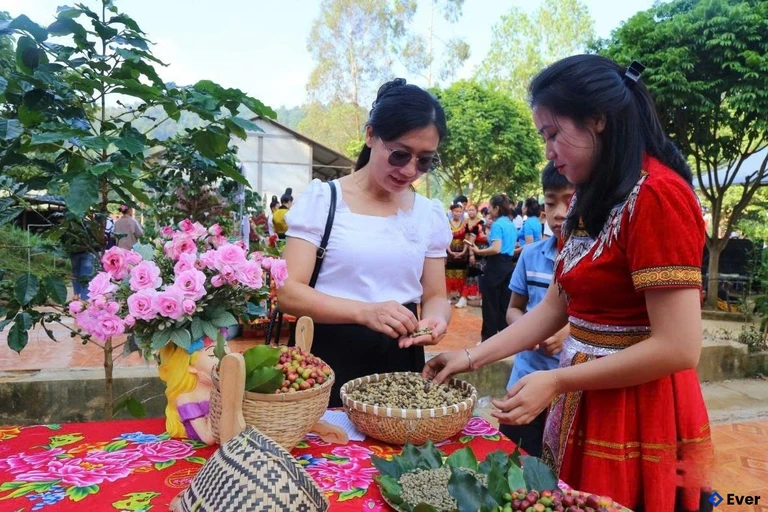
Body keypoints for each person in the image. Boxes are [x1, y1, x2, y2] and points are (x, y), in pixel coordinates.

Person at [424, 55, 713, 511]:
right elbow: (555, 308)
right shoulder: (592, 196)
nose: (548, 150)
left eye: (552, 133)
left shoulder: (658, 195)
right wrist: (469, 356)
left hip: (637, 411)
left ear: (597, 120)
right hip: (588, 397)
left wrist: (557, 380)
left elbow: (679, 347)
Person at [278, 78, 452, 407]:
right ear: (371, 135)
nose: (410, 170)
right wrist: (363, 312)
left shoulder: (428, 214)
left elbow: (435, 295)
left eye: (424, 160)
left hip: (400, 362)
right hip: (324, 360)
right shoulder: (324, 200)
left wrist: (437, 320)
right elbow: (288, 292)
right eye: (400, 155)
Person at [499, 162, 574, 457]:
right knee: (515, 463)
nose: (559, 213)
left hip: (571, 387)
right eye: (551, 203)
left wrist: (566, 331)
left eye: (569, 200)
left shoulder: (596, 260)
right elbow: (513, 310)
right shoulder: (532, 256)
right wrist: (531, 329)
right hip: (525, 379)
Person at [468, 194, 518, 341]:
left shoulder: (497, 225)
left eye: (490, 207)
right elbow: (510, 248)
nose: (489, 210)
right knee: (504, 304)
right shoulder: (510, 224)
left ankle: (488, 339)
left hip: (496, 265)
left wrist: (478, 251)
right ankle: (505, 340)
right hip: (509, 265)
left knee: (490, 304)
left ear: (497, 208)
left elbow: (496, 249)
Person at [157, 338, 218, 445]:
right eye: (213, 354)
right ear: (191, 367)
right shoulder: (186, 399)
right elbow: (209, 438)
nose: (226, 357)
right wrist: (218, 396)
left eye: (226, 349)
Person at [463, 204, 487, 302]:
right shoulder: (465, 222)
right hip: (467, 248)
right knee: (470, 272)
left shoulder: (480, 223)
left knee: (480, 271)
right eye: (469, 210)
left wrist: (472, 253)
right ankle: (471, 293)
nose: (471, 212)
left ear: (477, 211)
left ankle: (479, 294)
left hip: (478, 248)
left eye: (473, 210)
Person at [446, 203, 469, 307]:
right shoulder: (446, 223)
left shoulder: (465, 224)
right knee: (448, 275)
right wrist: (450, 251)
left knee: (461, 275)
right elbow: (444, 238)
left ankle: (461, 297)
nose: (458, 213)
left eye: (460, 211)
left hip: (462, 252)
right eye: (456, 211)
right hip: (449, 251)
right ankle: (448, 296)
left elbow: (467, 239)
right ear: (452, 212)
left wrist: (463, 252)